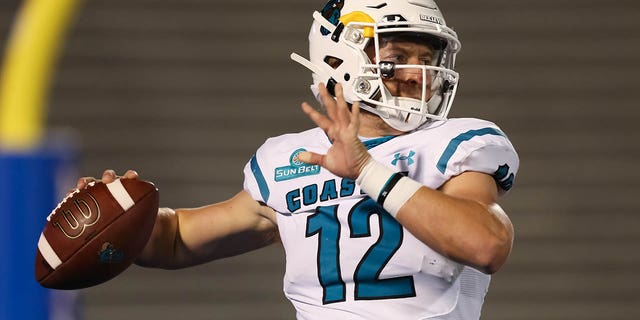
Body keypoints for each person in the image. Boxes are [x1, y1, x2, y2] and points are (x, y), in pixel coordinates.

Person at [77, 0, 519, 319]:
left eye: (426, 58)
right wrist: (119, 213)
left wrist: (366, 169)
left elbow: (485, 244)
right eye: (396, 57)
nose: (416, 74)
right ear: (337, 60)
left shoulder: (455, 140)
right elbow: (174, 241)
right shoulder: (286, 158)